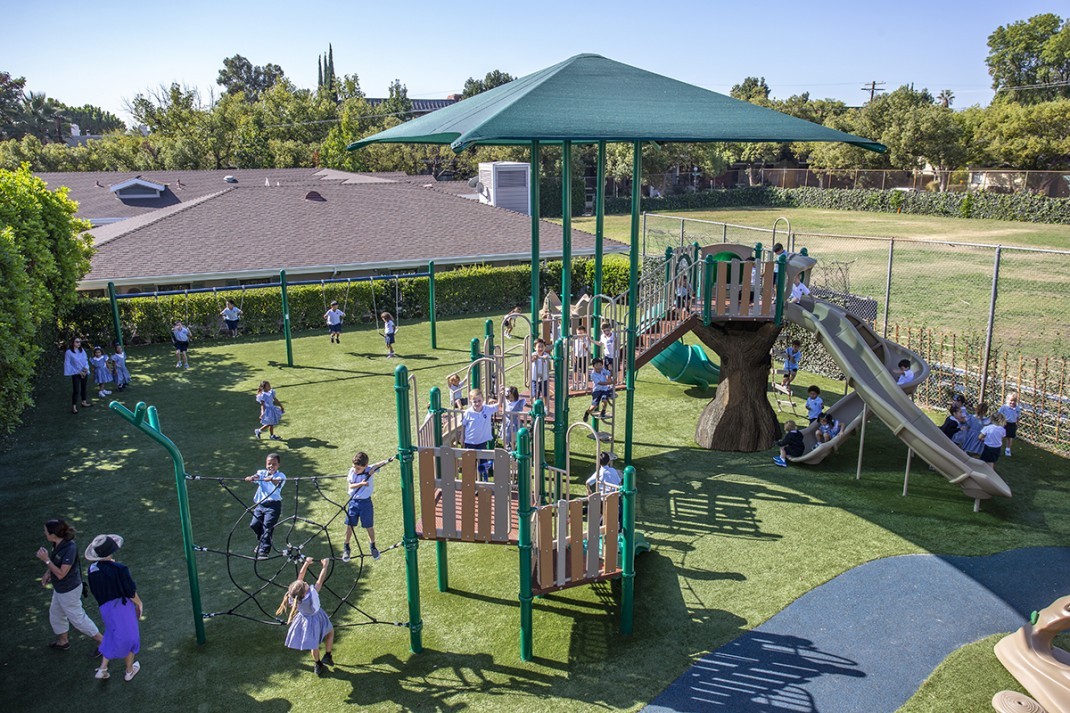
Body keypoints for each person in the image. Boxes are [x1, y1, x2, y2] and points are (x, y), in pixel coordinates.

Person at [37, 519, 104, 655]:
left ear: (53, 534)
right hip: (60, 589)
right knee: (56, 613)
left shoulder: (70, 548)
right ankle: (63, 641)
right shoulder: (56, 543)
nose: (44, 533)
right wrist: (48, 572)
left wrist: (46, 560)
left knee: (78, 619)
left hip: (68, 590)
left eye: (45, 531)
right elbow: (56, 562)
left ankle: (103, 642)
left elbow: (61, 573)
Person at [85, 534, 143, 682]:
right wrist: (139, 603)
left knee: (111, 633)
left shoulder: (92, 569)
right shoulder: (120, 569)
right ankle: (129, 671)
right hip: (121, 607)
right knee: (131, 639)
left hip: (105, 608)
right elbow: (129, 591)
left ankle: (103, 669)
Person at [276, 557, 335, 676]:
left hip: (304, 621)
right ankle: (328, 655)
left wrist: (306, 563)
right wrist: (325, 566)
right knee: (330, 632)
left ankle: (317, 664)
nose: (306, 583)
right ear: (304, 591)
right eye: (305, 584)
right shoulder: (311, 594)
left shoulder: (294, 597)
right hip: (317, 617)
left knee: (314, 644)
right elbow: (320, 581)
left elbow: (300, 577)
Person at [342, 452, 392, 563]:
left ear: (365, 466)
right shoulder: (352, 471)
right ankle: (346, 547)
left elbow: (377, 465)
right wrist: (362, 483)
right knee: (349, 526)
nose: (355, 470)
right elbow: (351, 485)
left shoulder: (369, 470)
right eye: (354, 467)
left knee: (369, 526)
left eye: (358, 468)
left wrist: (388, 460)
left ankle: (373, 546)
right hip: (353, 502)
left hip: (366, 503)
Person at [244, 453, 286, 558]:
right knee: (254, 524)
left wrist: (271, 479)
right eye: (269, 464)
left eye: (274, 464)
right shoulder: (262, 473)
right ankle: (262, 541)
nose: (271, 466)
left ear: (278, 465)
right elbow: (256, 476)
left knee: (267, 527)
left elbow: (277, 482)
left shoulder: (281, 476)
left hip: (273, 506)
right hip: (260, 504)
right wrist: (251, 478)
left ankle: (264, 551)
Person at [461, 389, 499, 480]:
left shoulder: (487, 409)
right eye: (475, 402)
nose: (477, 403)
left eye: (479, 401)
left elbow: (498, 406)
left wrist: (500, 396)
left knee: (483, 463)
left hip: (482, 442)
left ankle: (484, 481)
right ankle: (470, 482)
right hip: (470, 442)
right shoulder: (468, 413)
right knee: (470, 464)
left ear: (483, 400)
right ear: (471, 401)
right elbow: (463, 425)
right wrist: (462, 437)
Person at [64, 337, 92, 414]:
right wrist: (78, 372)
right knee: (76, 389)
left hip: (84, 372)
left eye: (79, 342)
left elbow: (85, 360)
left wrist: (86, 369)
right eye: (77, 342)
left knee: (84, 387)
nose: (79, 343)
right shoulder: (69, 352)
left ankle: (84, 402)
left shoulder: (82, 350)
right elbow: (68, 364)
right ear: (73, 342)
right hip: (75, 373)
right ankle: (74, 406)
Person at [998, 392, 1021, 457]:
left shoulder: (1017, 408)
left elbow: (1018, 417)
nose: (1013, 402)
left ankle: (1008, 449)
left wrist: (1017, 423)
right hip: (1004, 423)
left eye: (1014, 401)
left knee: (1010, 437)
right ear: (1008, 400)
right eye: (1011, 400)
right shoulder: (1004, 407)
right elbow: (999, 414)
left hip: (1012, 424)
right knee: (1001, 436)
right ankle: (998, 447)